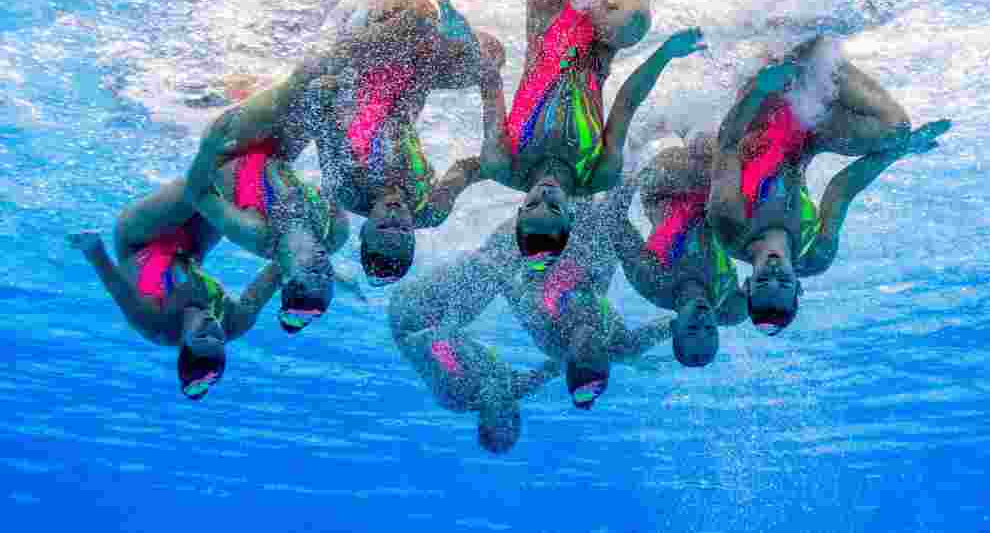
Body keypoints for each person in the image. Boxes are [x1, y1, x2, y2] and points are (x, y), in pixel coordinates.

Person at [196, 0, 504, 285]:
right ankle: (423, 26)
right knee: (492, 56)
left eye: (384, 227)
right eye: (404, 231)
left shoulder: (347, 187)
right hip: (414, 75)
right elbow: (470, 167)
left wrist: (330, 84)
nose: (396, 218)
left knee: (417, 13)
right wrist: (503, 164)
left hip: (360, 63)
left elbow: (320, 109)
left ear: (365, 229)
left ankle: (384, 6)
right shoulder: (430, 209)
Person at [706, 35, 952, 335]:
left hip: (759, 111)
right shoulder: (816, 255)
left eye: (762, 282)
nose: (774, 272)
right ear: (798, 287)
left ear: (747, 284)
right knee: (895, 130)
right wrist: (901, 150)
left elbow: (728, 143)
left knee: (800, 52)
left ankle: (802, 48)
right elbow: (841, 189)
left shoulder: (730, 223)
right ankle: (818, 55)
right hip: (808, 135)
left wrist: (761, 89)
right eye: (783, 282)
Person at [478, 0, 706, 258]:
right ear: (570, 215)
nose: (545, 194)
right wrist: (665, 54)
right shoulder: (599, 174)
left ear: (519, 211)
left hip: (549, 23)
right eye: (554, 206)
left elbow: (490, 84)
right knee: (634, 21)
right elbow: (626, 104)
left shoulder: (501, 163)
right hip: (603, 39)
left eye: (532, 204)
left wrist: (468, 43)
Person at [390, 192, 675, 412]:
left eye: (582, 350)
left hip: (548, 258)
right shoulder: (619, 347)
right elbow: (669, 327)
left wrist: (475, 277)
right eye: (598, 350)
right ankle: (628, 159)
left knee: (579, 206)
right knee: (611, 214)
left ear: (568, 357)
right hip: (588, 269)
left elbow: (507, 286)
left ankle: (579, 180)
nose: (590, 340)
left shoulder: (546, 332)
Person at [66, 185, 282, 400]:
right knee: (233, 187)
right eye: (218, 337)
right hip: (192, 245)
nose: (212, 326)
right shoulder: (234, 322)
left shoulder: (154, 324)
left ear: (183, 343)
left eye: (202, 335)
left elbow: (117, 287)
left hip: (139, 239)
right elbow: (278, 270)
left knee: (207, 183)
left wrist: (93, 249)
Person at [182, 111, 354, 334]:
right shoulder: (334, 232)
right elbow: (334, 172)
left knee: (307, 83)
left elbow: (196, 194)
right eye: (328, 274)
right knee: (323, 101)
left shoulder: (256, 231)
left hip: (231, 145)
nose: (323, 266)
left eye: (312, 271)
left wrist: (209, 146)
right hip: (279, 148)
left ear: (285, 273)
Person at [607, 134, 748, 368]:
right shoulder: (733, 307)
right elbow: (768, 284)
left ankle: (671, 126)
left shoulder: (653, 281)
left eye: (692, 327)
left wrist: (630, 172)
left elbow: (614, 220)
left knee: (712, 167)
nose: (702, 318)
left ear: (673, 326)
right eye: (709, 328)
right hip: (708, 193)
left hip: (664, 187)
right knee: (737, 174)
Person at [389, 272, 561, 454]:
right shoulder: (514, 388)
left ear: (484, 420)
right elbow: (555, 367)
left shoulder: (459, 391)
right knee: (498, 274)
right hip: (430, 317)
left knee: (490, 270)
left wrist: (456, 299)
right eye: (515, 421)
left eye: (501, 422)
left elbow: (438, 343)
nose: (509, 414)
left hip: (408, 318)